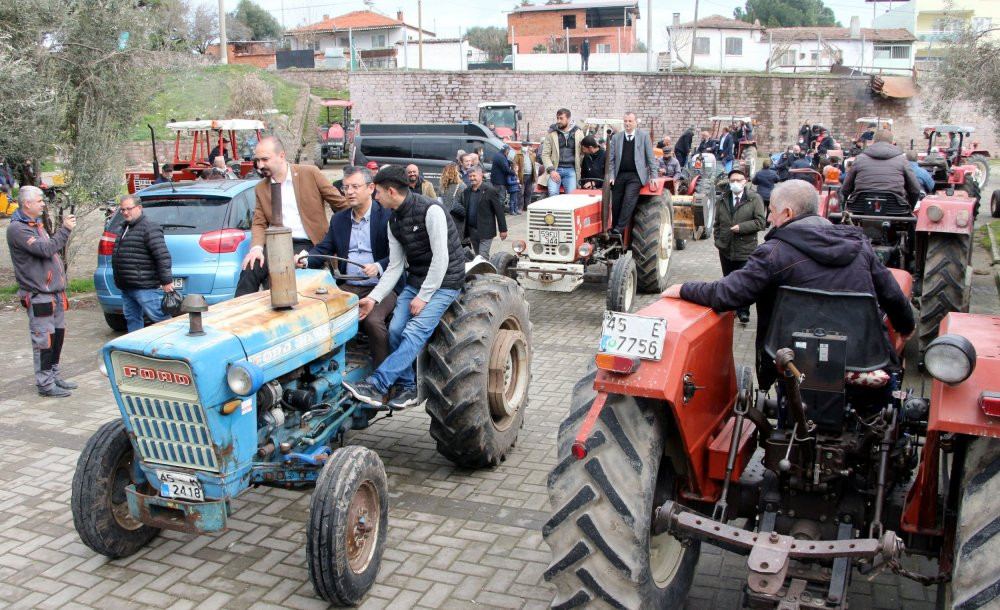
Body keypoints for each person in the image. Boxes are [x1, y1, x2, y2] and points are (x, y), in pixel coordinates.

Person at [661, 180, 914, 388]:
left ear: (788, 213)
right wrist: (906, 327)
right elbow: (893, 296)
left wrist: (683, 288)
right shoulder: (860, 246)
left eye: (771, 210)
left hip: (795, 366)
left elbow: (728, 294)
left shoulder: (773, 253)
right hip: (865, 362)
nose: (769, 218)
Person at [341, 165, 467, 410]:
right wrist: (374, 298)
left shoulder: (431, 211)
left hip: (445, 281)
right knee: (396, 328)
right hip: (417, 280)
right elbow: (396, 266)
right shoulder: (393, 221)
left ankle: (378, 383)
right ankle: (408, 387)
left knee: (413, 332)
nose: (375, 197)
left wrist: (424, 296)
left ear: (390, 192)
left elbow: (442, 260)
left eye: (377, 192)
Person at [296, 166, 398, 367]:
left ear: (370, 188)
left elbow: (399, 256)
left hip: (382, 286)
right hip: (348, 286)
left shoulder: (387, 216)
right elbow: (325, 247)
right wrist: (305, 259)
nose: (349, 192)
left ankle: (382, 378)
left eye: (355, 186)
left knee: (372, 321)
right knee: (317, 314)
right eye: (345, 187)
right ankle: (326, 369)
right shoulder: (339, 219)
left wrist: (378, 265)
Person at [236, 136, 347, 296]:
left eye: (265, 159)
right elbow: (259, 222)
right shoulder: (261, 187)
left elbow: (340, 204)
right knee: (250, 267)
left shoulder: (310, 173)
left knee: (283, 272)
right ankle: (241, 315)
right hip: (276, 243)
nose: (260, 166)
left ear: (281, 156)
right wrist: (256, 249)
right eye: (257, 160)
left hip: (309, 243)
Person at [6, 186, 78, 397]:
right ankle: (45, 385)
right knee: (44, 341)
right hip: (39, 295)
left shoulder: (36, 225)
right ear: (27, 203)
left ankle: (54, 376)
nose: (43, 204)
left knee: (57, 337)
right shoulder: (18, 229)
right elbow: (44, 250)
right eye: (40, 200)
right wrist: (64, 230)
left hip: (54, 294)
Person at [111, 194, 175, 333]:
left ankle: (172, 341)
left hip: (144, 285)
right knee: (132, 318)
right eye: (122, 210)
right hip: (127, 285)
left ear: (139, 207)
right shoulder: (124, 227)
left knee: (158, 316)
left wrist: (166, 281)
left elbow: (162, 256)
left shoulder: (149, 227)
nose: (125, 212)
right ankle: (134, 346)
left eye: (129, 209)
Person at [711, 168, 767, 324]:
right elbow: (717, 223)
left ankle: (743, 311)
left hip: (745, 248)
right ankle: (730, 309)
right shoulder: (722, 199)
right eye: (732, 181)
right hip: (726, 248)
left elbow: (761, 222)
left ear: (745, 182)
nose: (735, 183)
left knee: (743, 282)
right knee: (728, 281)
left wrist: (741, 227)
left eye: (739, 180)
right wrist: (718, 241)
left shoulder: (754, 199)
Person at [607, 112, 657, 236]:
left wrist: (654, 176)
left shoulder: (644, 136)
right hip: (620, 175)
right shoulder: (616, 138)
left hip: (636, 175)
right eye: (625, 121)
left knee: (628, 199)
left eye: (630, 121)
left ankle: (620, 228)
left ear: (635, 122)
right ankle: (614, 227)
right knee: (616, 202)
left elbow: (650, 157)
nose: (627, 123)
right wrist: (611, 176)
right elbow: (611, 160)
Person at [841, 130, 921, 206]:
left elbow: (845, 189)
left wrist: (844, 205)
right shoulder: (902, 160)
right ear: (892, 143)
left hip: (861, 206)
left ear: (873, 142)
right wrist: (910, 207)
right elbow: (915, 190)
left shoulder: (859, 159)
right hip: (895, 208)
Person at [459, 165, 507, 258]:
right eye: (470, 176)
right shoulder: (467, 191)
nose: (472, 178)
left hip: (486, 230)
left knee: (482, 256)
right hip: (472, 230)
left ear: (481, 175)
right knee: (478, 256)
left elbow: (499, 212)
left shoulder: (490, 191)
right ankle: (483, 271)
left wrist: (503, 230)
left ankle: (484, 271)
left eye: (474, 176)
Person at [541, 108, 584, 197]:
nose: (558, 121)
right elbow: (545, 154)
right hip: (555, 169)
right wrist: (552, 171)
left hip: (571, 170)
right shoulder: (551, 133)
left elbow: (583, 153)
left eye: (561, 118)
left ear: (568, 119)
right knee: (553, 194)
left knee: (571, 196)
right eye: (557, 118)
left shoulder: (578, 132)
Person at [438, 163, 467, 236]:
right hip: (458, 220)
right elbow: (466, 204)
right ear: (456, 172)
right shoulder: (462, 186)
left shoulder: (441, 187)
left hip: (445, 220)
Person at [490, 144, 519, 213]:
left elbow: (506, 162)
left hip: (496, 180)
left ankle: (498, 210)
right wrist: (514, 173)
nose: (509, 152)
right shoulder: (501, 157)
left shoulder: (500, 155)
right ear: (506, 150)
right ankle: (500, 212)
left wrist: (512, 163)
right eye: (508, 151)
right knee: (501, 197)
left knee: (497, 196)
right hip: (499, 181)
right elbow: (505, 169)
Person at [514, 142, 537, 212]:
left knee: (529, 192)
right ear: (521, 146)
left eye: (526, 145)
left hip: (530, 175)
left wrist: (535, 175)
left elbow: (534, 165)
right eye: (524, 145)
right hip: (522, 175)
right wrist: (517, 175)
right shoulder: (518, 154)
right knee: (521, 192)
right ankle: (520, 207)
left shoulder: (531, 154)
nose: (525, 147)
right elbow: (515, 165)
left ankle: (527, 207)